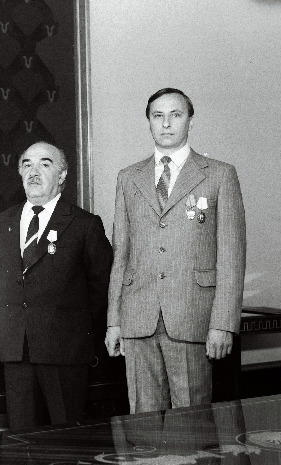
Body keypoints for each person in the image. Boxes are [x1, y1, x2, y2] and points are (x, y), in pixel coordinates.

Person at [105, 87, 246, 413]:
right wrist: (114, 320)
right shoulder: (129, 178)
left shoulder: (220, 175)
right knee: (144, 422)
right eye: (158, 116)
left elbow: (231, 256)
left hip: (192, 317)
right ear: (149, 124)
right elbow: (121, 255)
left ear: (190, 121)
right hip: (138, 318)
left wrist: (223, 323)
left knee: (191, 422)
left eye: (175, 115)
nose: (166, 124)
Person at [0, 141, 112, 430]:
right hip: (15, 353)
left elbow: (101, 288)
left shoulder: (85, 225)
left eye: (45, 164)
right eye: (27, 164)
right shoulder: (1, 222)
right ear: (20, 172)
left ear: (62, 175)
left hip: (64, 353)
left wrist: (72, 331)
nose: (34, 171)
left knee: (66, 442)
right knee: (24, 444)